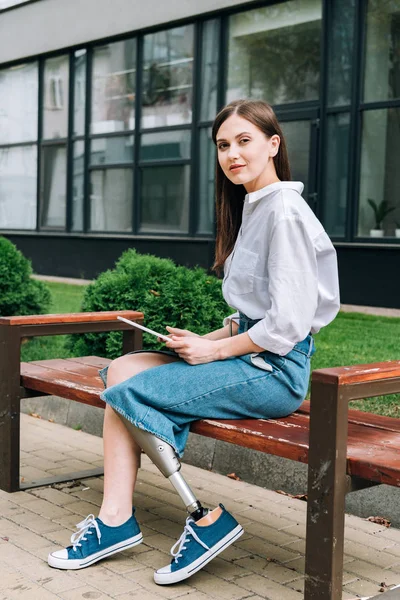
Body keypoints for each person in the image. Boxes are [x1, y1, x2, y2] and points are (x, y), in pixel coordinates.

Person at [48, 99, 340, 583]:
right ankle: (117, 518)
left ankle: (182, 519)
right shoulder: (257, 205)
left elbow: (287, 327)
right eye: (224, 145)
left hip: (275, 371)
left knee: (126, 394)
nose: (233, 154)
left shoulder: (284, 212)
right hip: (252, 357)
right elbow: (254, 312)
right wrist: (201, 340)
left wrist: (215, 351)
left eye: (245, 141)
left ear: (273, 144)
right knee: (122, 372)